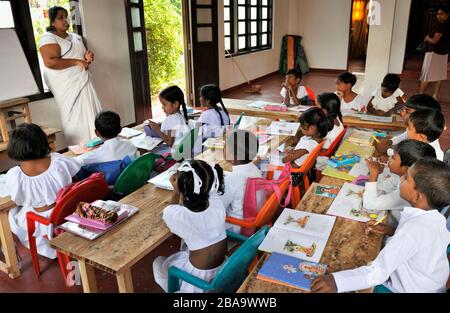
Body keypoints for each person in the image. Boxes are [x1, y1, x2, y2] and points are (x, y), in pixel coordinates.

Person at [311, 158, 450, 293]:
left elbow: (377, 272)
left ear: (417, 196)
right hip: (431, 284)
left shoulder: (414, 230)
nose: (401, 179)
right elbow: (421, 244)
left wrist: (336, 282)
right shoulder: (436, 218)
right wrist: (392, 231)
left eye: (406, 178)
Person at [6, 124, 81, 259]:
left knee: (12, 213)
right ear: (42, 141)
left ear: (14, 148)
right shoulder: (58, 162)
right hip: (66, 210)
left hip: (42, 219)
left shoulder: (14, 175)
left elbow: (19, 200)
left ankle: (28, 250)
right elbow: (75, 167)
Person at [153, 160, 227, 293]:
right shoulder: (216, 201)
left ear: (182, 188)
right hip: (223, 268)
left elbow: (170, 210)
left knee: (158, 264)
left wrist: (175, 192)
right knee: (185, 251)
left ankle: (174, 288)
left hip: (198, 278)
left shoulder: (177, 215)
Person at [39, 6, 102, 146]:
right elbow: (50, 62)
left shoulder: (76, 37)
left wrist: (87, 57)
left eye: (66, 16)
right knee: (74, 116)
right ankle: (80, 146)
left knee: (91, 110)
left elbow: (83, 60)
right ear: (52, 21)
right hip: (66, 84)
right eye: (60, 18)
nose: (65, 20)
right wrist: (77, 61)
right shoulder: (48, 38)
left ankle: (97, 141)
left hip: (83, 79)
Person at [363, 140, 437, 226]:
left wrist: (373, 175)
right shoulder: (413, 178)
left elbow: (369, 204)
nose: (389, 158)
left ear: (406, 168)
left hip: (391, 225)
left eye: (393, 157)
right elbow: (388, 184)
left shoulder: (407, 193)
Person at [220, 129, 265, 233]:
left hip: (237, 227)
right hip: (253, 220)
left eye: (225, 146)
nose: (223, 148)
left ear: (233, 155)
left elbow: (218, 207)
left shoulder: (231, 181)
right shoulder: (256, 171)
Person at [375, 94, 441, 154]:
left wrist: (387, 150)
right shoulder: (417, 129)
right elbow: (404, 136)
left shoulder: (430, 153)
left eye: (407, 111)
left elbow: (407, 158)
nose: (402, 113)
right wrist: (391, 141)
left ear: (421, 116)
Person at [146, 86, 190, 155]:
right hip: (181, 149)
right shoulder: (179, 115)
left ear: (175, 104)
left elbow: (169, 142)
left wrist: (157, 129)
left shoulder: (172, 119)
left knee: (148, 152)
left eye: (164, 104)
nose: (162, 107)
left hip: (174, 152)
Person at [420, 5, 450, 101]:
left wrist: (427, 38)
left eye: (441, 14)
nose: (438, 16)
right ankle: (435, 95)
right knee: (439, 76)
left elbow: (434, 41)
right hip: (443, 53)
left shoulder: (441, 26)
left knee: (426, 76)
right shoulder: (447, 25)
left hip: (434, 53)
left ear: (447, 15)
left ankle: (420, 96)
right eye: (437, 14)